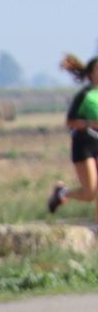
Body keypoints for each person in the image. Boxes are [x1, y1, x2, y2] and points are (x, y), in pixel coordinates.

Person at [47, 54, 98, 216]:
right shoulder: (85, 95)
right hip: (84, 144)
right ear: (91, 74)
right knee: (90, 193)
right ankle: (61, 193)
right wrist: (90, 124)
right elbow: (70, 122)